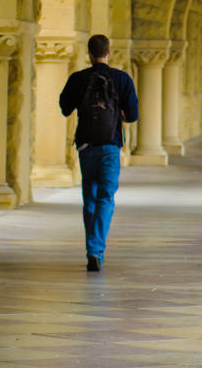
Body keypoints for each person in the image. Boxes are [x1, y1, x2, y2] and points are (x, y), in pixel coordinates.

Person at [59, 34, 138, 272]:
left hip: (86, 146)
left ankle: (92, 250)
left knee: (90, 198)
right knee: (106, 197)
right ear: (109, 53)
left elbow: (65, 108)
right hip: (110, 145)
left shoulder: (79, 78)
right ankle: (96, 250)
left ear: (89, 54)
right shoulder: (121, 79)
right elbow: (133, 115)